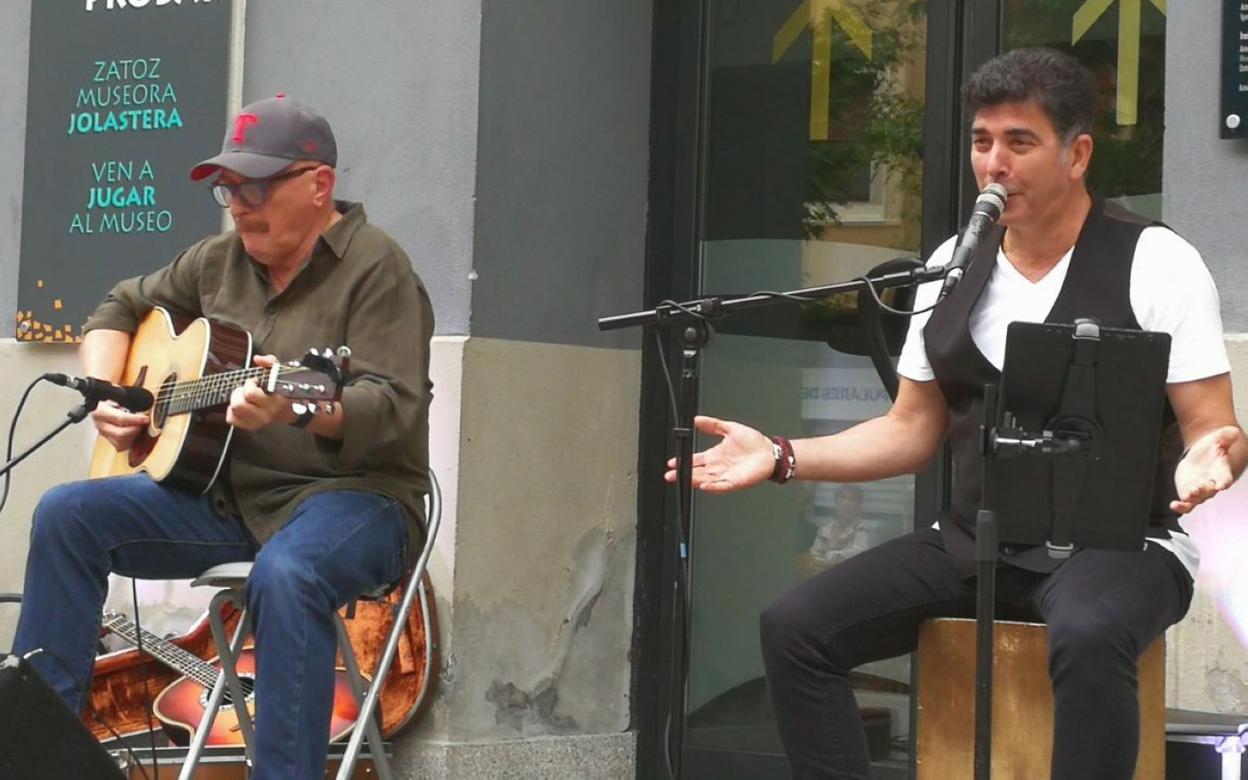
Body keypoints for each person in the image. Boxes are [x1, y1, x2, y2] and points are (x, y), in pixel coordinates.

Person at [667, 48, 1248, 779]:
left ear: (1079, 154)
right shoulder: (952, 262)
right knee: (796, 628)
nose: (994, 165)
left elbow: (1214, 428)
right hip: (978, 541)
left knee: (1090, 629)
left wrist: (1211, 459)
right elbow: (911, 429)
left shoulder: (1155, 260)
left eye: (1020, 143)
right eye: (982, 142)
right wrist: (783, 455)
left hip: (1124, 546)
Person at [13, 94, 434, 780]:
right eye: (226, 188)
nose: (237, 204)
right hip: (229, 500)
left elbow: (393, 411)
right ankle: (38, 761)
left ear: (318, 184)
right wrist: (109, 394)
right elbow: (118, 306)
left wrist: (298, 410)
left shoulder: (378, 269)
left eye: (256, 186)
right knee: (66, 514)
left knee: (290, 572)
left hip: (355, 500)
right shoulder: (217, 261)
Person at [802, 484, 870, 573]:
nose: (847, 503)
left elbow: (857, 556)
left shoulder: (863, 531)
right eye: (843, 498)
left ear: (858, 506)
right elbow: (814, 557)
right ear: (836, 503)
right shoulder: (824, 530)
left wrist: (825, 557)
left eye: (852, 499)